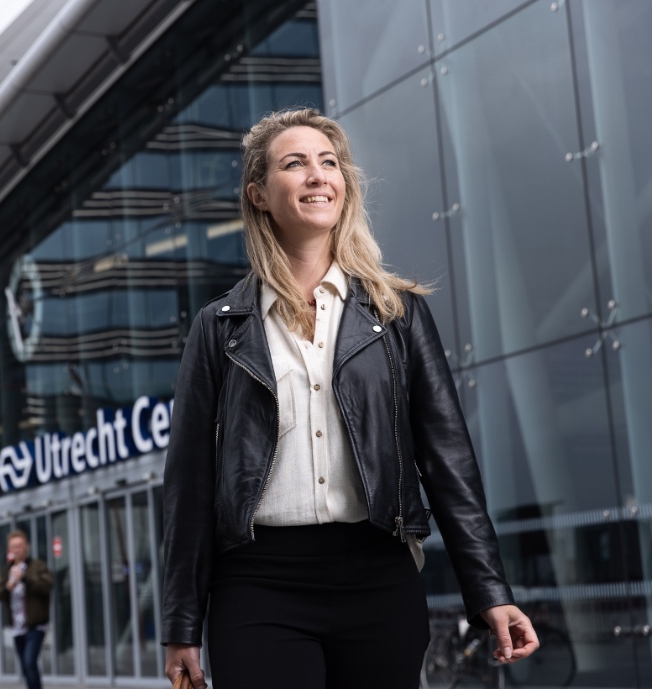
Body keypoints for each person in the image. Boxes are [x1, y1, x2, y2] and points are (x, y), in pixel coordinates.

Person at [161, 108, 539, 688]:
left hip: (376, 576)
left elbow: (448, 463)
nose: (317, 175)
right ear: (259, 194)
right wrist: (181, 625)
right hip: (258, 585)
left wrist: (488, 591)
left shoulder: (397, 315)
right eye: (295, 164)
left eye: (328, 163)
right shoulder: (220, 329)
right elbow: (189, 486)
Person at [0, 531, 53, 689]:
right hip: (18, 627)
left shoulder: (37, 566)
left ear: (27, 547)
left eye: (20, 546)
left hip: (36, 625)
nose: (17, 549)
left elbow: (47, 586)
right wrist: (8, 587)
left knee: (30, 661)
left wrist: (24, 579)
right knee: (26, 667)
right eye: (13, 547)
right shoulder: (7, 570)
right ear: (9, 550)